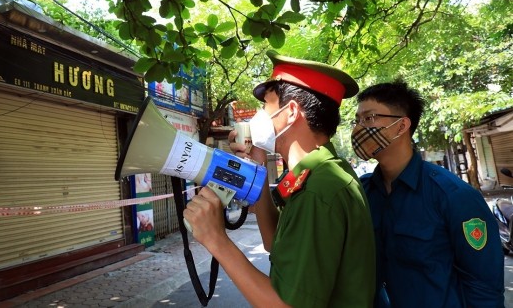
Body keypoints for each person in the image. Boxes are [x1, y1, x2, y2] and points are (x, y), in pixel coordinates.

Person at [184, 50, 376, 307]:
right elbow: (274, 242)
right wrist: (258, 166)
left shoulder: (318, 191)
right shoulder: (319, 174)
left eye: (267, 105)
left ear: (292, 112)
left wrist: (216, 239)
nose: (259, 115)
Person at [352, 80, 504, 307]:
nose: (358, 129)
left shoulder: (453, 195)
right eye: (357, 120)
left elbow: (484, 287)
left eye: (369, 118)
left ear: (402, 126)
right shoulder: (362, 192)